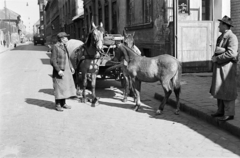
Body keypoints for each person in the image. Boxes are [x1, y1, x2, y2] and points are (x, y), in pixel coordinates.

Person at [210, 15, 239, 121]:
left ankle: (229, 113)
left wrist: (217, 59)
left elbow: (232, 53)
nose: (218, 26)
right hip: (220, 68)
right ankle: (220, 111)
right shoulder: (220, 37)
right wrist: (214, 57)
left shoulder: (232, 37)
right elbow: (218, 51)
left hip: (228, 69)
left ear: (225, 26)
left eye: (220, 24)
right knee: (219, 89)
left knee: (227, 90)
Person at [50, 32, 76, 111]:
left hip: (66, 70)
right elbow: (53, 61)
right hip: (60, 70)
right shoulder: (56, 47)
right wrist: (58, 70)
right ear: (61, 39)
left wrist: (71, 67)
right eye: (65, 38)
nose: (67, 39)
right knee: (59, 87)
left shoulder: (64, 46)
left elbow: (68, 58)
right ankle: (58, 104)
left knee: (64, 87)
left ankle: (63, 103)